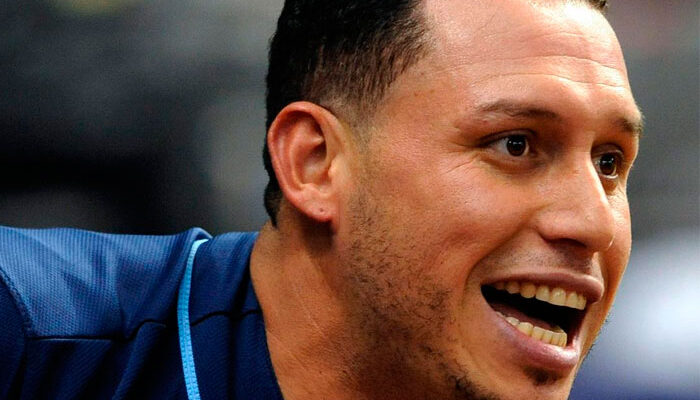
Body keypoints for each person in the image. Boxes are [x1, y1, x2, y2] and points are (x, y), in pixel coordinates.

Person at [0, 0, 643, 399]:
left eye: (609, 162)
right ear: (315, 164)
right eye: (515, 144)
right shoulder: (29, 330)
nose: (593, 223)